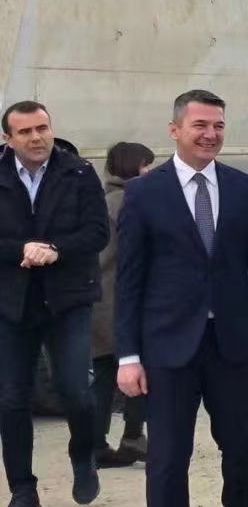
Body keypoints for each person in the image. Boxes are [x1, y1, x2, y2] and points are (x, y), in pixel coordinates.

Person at [115, 90, 248, 507]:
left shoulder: (243, 188)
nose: (210, 134)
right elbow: (129, 281)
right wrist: (128, 356)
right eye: (200, 125)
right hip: (168, 349)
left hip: (231, 344)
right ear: (175, 130)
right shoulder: (144, 194)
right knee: (168, 459)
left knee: (241, 448)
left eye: (218, 126)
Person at [0, 101, 110, 507]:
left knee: (75, 389)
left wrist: (56, 249)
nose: (37, 138)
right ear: (8, 139)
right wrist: (21, 250)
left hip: (68, 299)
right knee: (12, 399)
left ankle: (84, 454)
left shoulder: (77, 172)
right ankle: (23, 492)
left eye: (42, 128)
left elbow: (98, 232)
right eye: (25, 131)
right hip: (12, 303)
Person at [91, 142, 154, 468]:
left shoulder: (103, 200)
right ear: (134, 166)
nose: (150, 172)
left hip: (97, 299)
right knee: (141, 367)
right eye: (147, 165)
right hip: (122, 300)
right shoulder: (130, 201)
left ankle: (95, 444)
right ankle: (133, 436)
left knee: (103, 374)